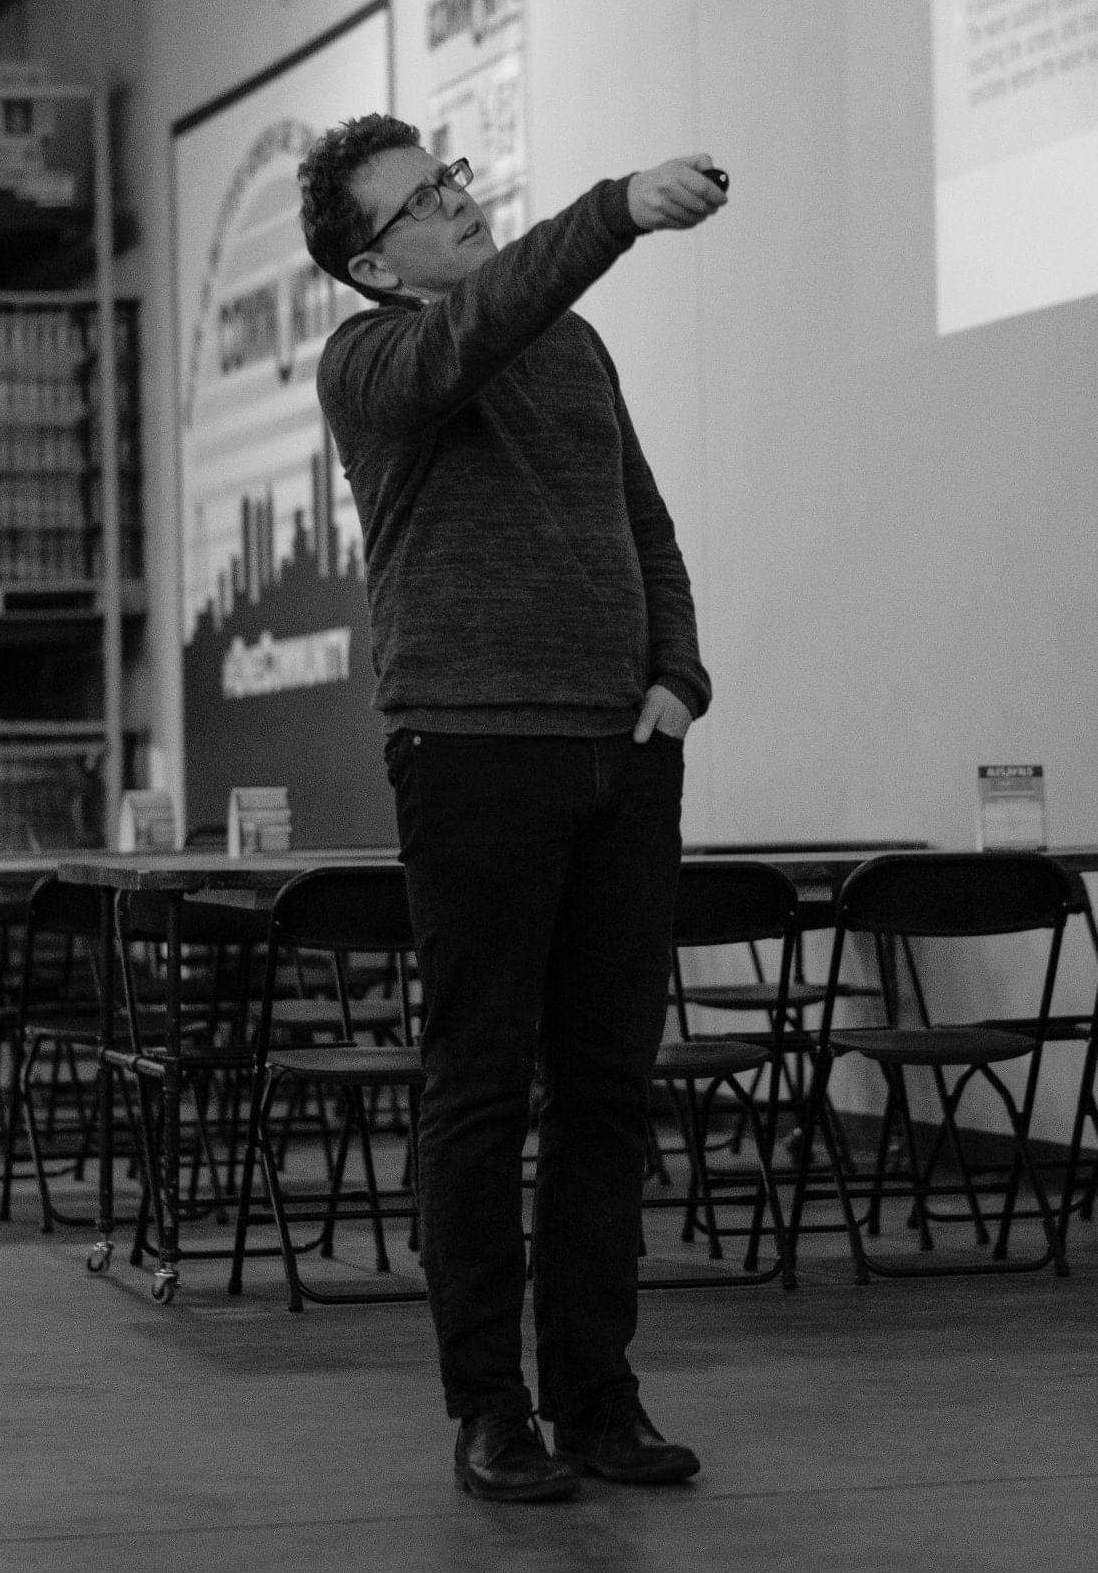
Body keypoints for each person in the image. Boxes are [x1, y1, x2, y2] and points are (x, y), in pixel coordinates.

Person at [299, 115, 724, 1502]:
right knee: (480, 1089)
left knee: (606, 1091)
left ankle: (597, 1395)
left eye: (453, 177)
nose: (457, 199)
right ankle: (489, 1409)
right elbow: (473, 333)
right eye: (422, 200)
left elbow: (643, 521)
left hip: (621, 753)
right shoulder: (371, 361)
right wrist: (615, 209)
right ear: (374, 265)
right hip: (474, 751)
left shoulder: (575, 348)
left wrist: (677, 680)